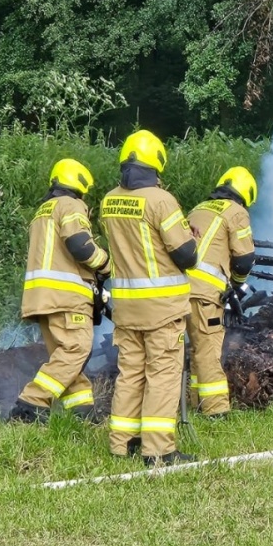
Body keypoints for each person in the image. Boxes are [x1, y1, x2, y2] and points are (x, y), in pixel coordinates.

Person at [101, 130, 198, 465]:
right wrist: (191, 237)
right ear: (156, 162)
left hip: (126, 308)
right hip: (162, 309)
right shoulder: (161, 200)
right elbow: (186, 255)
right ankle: (158, 450)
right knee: (162, 374)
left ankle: (121, 443)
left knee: (130, 373)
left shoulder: (109, 201)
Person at [10, 159, 111, 423]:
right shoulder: (70, 205)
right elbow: (80, 245)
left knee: (65, 354)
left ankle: (82, 411)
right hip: (66, 296)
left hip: (41, 297)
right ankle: (31, 403)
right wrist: (105, 263)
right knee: (76, 349)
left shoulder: (43, 211)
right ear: (80, 184)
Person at [184, 166, 258, 418]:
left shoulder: (198, 208)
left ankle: (197, 403)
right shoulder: (236, 212)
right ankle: (216, 411)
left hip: (177, 290)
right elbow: (244, 259)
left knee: (196, 349)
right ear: (246, 193)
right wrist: (236, 286)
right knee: (208, 351)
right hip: (205, 294)